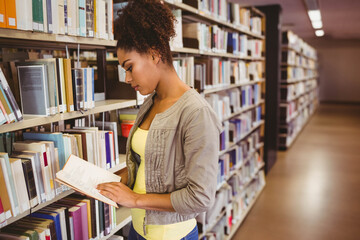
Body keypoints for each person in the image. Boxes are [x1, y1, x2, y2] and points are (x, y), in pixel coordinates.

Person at [96, 0, 221, 239]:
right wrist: (113, 181)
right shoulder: (150, 103)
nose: (127, 78)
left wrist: (134, 199)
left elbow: (200, 197)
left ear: (154, 54)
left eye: (130, 67)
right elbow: (147, 165)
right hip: (137, 228)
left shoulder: (196, 113)